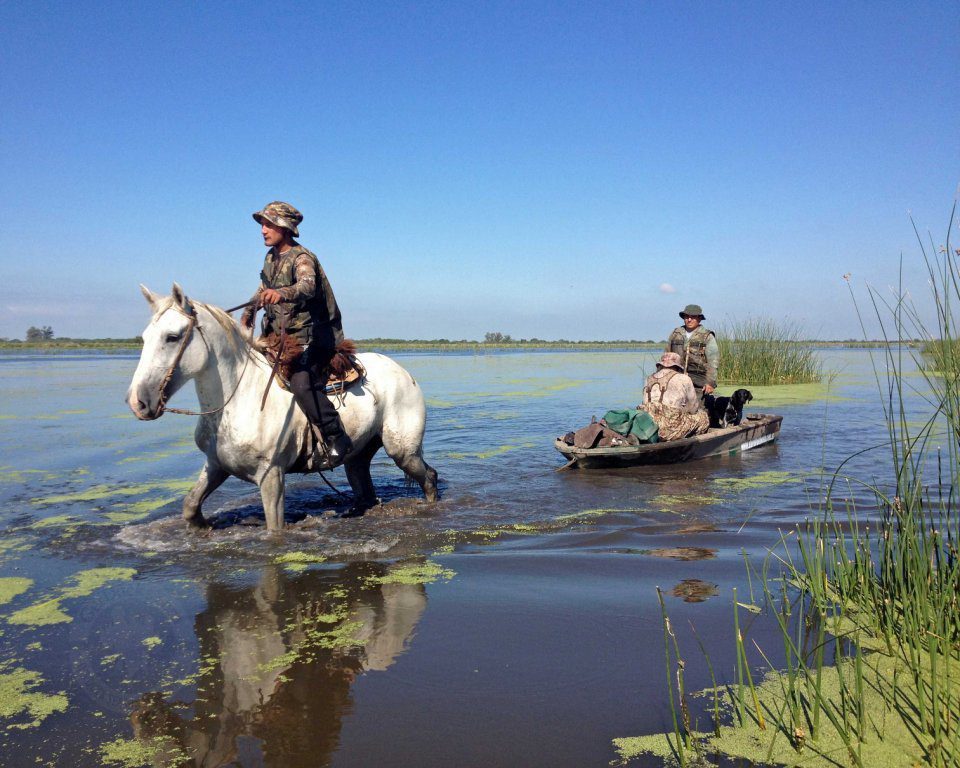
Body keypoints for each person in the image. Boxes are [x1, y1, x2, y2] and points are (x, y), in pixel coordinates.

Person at [241, 201, 352, 467]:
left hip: (313, 339)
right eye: (262, 225)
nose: (263, 231)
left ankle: (337, 436)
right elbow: (262, 290)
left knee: (302, 385)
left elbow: (307, 286)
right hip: (280, 338)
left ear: (284, 227)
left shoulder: (302, 257)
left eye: (268, 224)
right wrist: (249, 311)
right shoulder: (270, 258)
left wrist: (281, 293)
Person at [640, 352, 710, 441]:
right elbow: (693, 409)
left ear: (660, 365)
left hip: (647, 426)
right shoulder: (684, 378)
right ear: (677, 366)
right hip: (668, 429)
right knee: (703, 417)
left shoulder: (648, 379)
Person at [665, 304, 719, 399]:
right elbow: (666, 357)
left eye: (693, 317)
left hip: (698, 383)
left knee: (696, 411)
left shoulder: (707, 336)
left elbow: (713, 362)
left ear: (699, 319)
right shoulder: (675, 333)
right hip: (675, 380)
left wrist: (710, 383)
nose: (689, 319)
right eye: (686, 317)